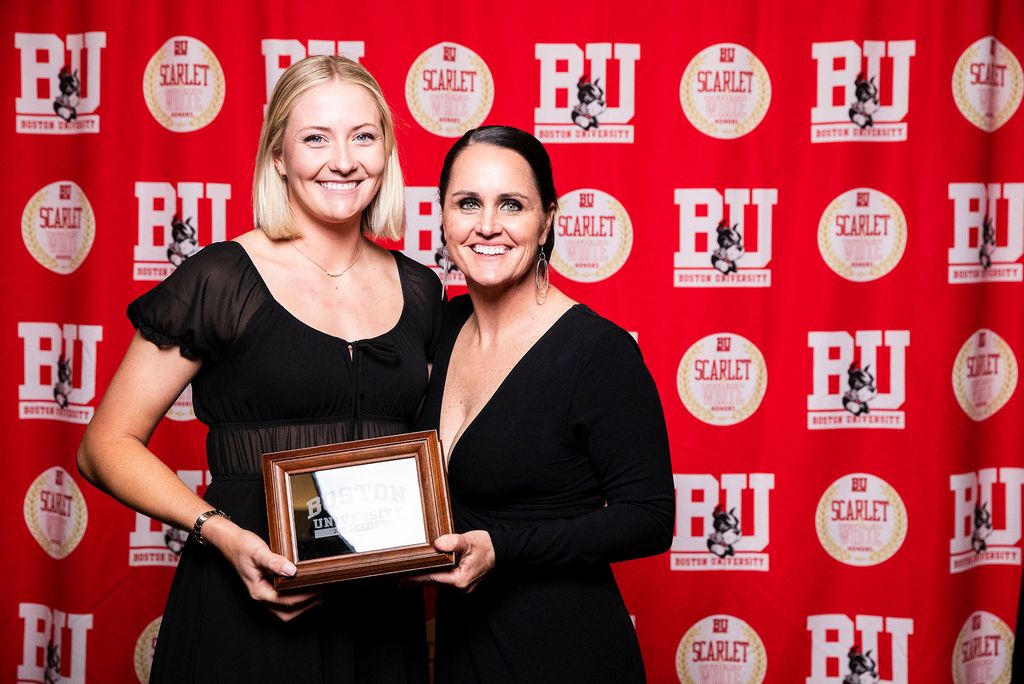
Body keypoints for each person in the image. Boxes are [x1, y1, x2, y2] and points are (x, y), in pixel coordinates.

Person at [77, 55, 440, 683]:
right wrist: (221, 534)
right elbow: (104, 445)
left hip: (381, 618)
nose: (344, 159)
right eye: (315, 137)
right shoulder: (221, 278)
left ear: (386, 151)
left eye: (364, 135)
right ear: (278, 156)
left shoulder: (421, 288)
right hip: (248, 600)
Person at [414, 126, 675, 683]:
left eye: (512, 204)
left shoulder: (597, 352)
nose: (487, 225)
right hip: (463, 651)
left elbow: (650, 519)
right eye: (467, 203)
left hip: (565, 652)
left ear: (548, 219)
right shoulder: (437, 327)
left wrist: (503, 549)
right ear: (442, 215)